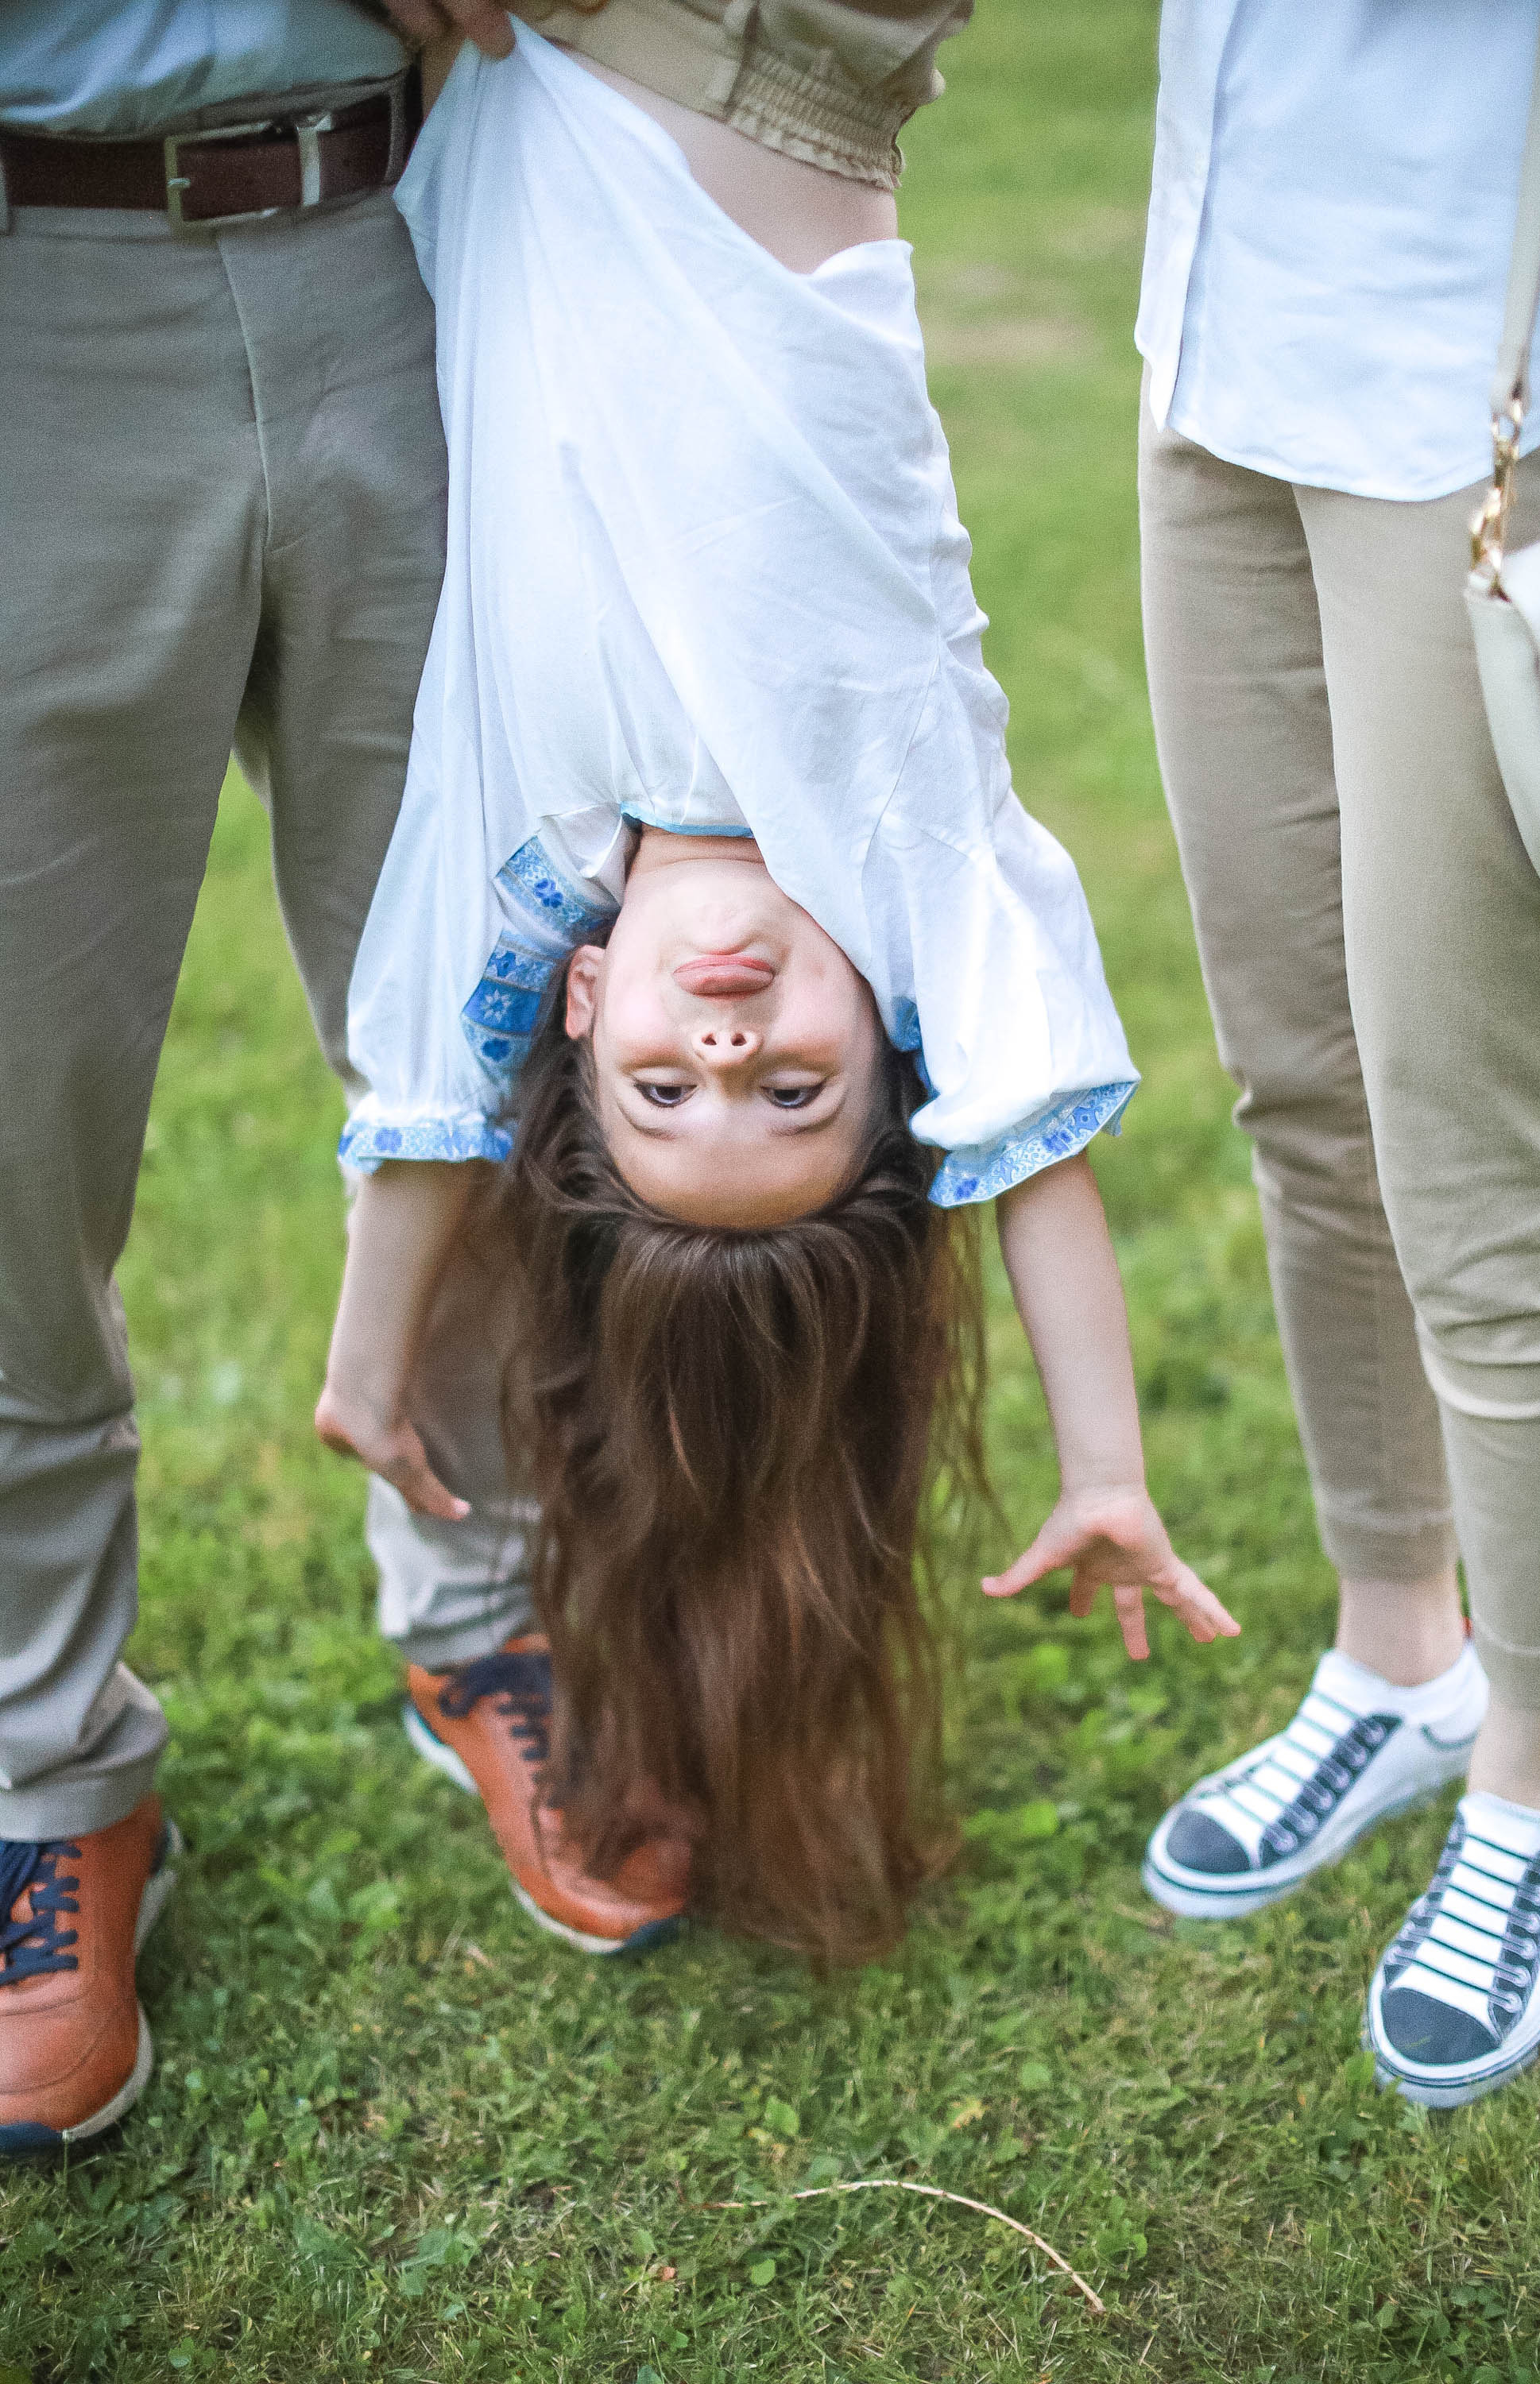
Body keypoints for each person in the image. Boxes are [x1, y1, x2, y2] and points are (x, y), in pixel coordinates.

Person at [314, 25, 1240, 1964]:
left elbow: (415, 1095)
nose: (723, 1048)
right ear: (892, 1057)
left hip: (521, 66)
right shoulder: (908, 859)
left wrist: (366, 1364)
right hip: (749, 61)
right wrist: (1102, 1469)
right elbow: (1031, 1156)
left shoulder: (525, 842)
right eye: (793, 1100)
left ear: (577, 1012)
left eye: (669, 1100)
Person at [0, 0, 520, 2161]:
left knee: (496, 1001)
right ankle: (42, 1777)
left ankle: (500, 1620)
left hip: (413, 228)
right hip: (40, 287)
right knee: (15, 1111)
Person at [1134, 1, 1540, 2107]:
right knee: (1302, 1086)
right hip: (1217, 342)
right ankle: (1399, 1647)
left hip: (1489, 384)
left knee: (1481, 1142)